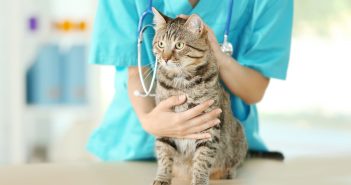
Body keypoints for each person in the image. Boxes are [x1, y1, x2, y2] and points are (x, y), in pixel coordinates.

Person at [87, 0, 293, 161]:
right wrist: (149, 120)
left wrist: (217, 56)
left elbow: (254, 90)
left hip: (218, 151)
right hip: (134, 148)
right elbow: (134, 71)